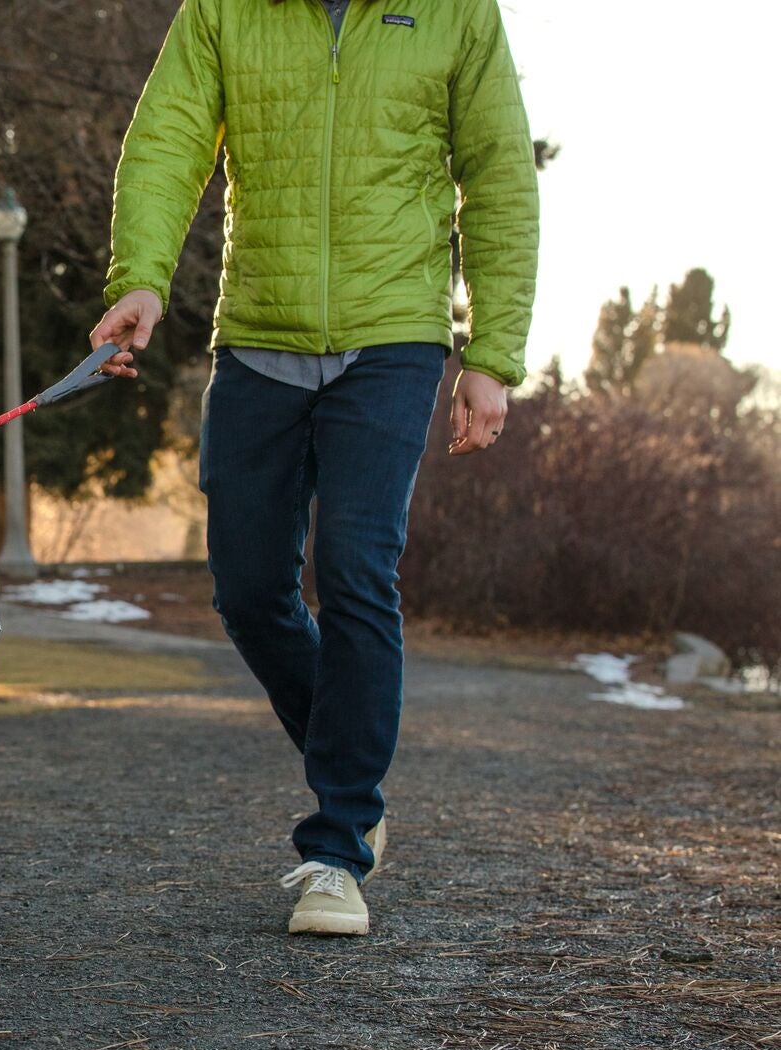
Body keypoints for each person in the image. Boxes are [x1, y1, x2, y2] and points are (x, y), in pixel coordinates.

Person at [93, 0, 536, 935]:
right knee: (250, 589)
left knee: (354, 567)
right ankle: (355, 775)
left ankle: (337, 847)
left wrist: (491, 352)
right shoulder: (224, 9)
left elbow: (499, 175)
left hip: (394, 336)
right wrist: (141, 274)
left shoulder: (455, 11)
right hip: (259, 335)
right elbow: (168, 139)